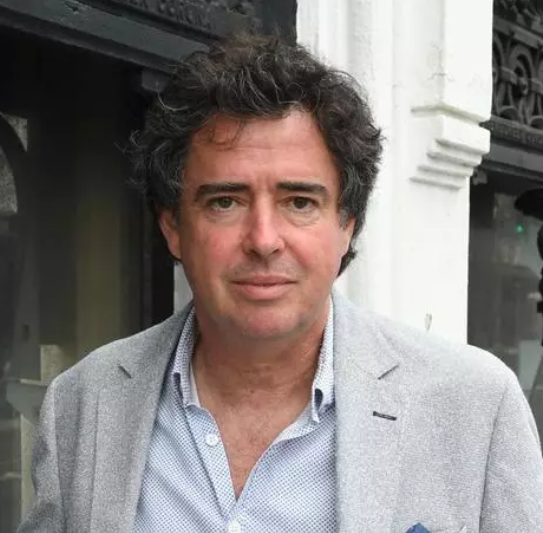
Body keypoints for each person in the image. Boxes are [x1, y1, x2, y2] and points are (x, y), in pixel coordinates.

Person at [19, 33, 543, 533]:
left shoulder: (476, 408)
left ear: (347, 224)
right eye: (225, 201)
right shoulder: (82, 405)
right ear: (173, 226)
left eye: (299, 202)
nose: (264, 240)